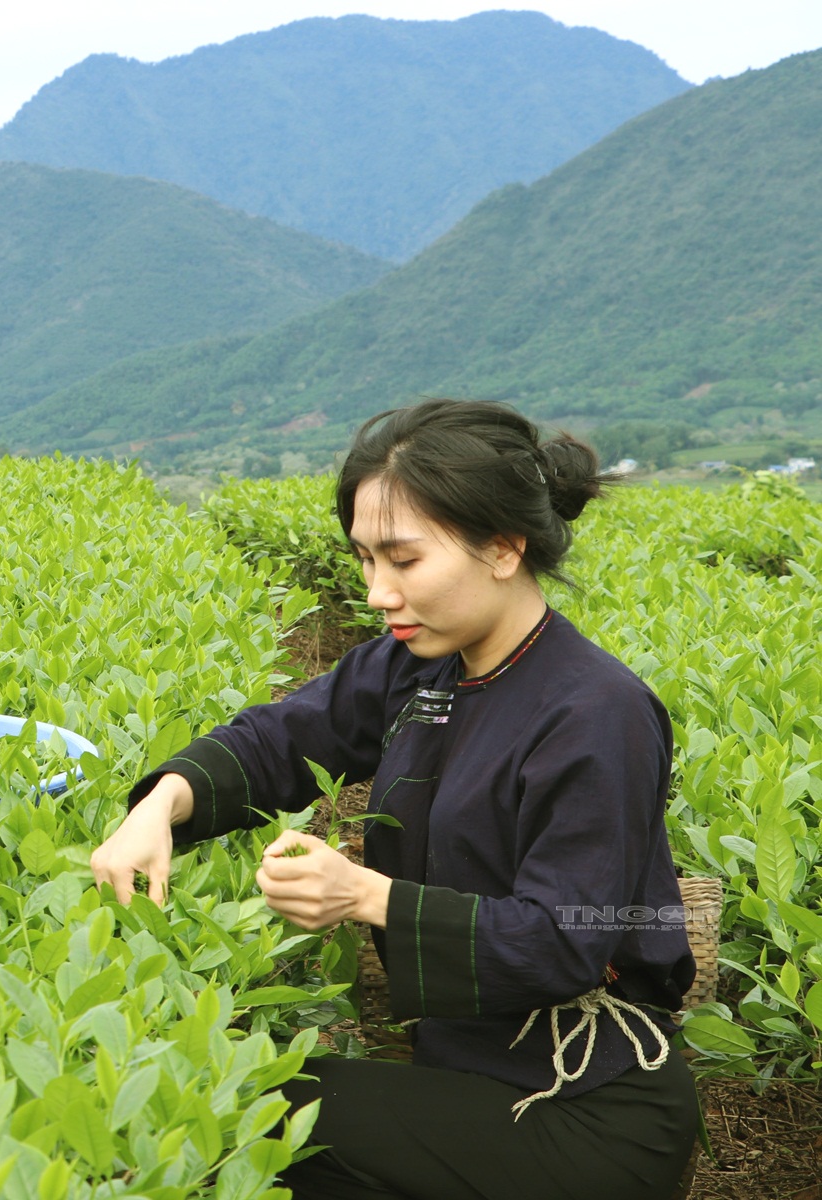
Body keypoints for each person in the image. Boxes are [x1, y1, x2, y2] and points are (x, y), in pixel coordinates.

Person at [90, 400, 700, 1199]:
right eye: (365, 560)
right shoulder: (418, 664)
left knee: (243, 1112)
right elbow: (281, 739)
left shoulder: (595, 712)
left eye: (403, 561)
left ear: (503, 547)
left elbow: (566, 938)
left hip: (584, 1104)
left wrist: (367, 896)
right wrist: (157, 808)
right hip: (471, 1076)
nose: (378, 592)